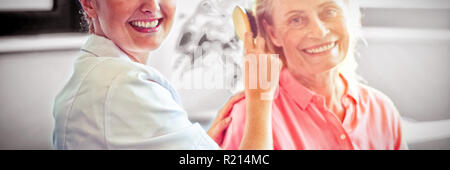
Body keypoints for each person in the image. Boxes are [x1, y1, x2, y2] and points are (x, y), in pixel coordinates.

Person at [52, 0, 280, 150]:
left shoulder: (98, 74)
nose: (152, 6)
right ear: (89, 4)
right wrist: (260, 98)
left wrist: (193, 144)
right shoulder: (121, 86)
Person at [221, 0, 408, 150]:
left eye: (330, 11)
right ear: (272, 33)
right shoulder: (250, 116)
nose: (319, 31)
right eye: (296, 20)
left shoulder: (381, 109)